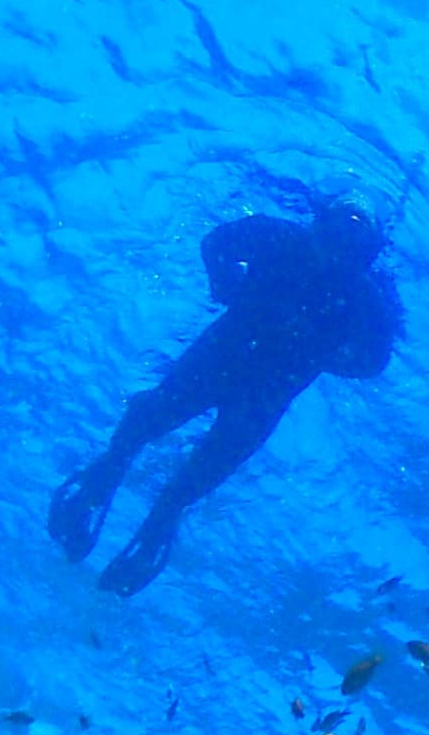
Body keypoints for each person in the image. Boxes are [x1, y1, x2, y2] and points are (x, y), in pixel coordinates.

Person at [50, 203, 403, 597]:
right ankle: (128, 488)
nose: (336, 254)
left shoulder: (351, 289)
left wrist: (230, 287)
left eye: (349, 248)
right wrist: (229, 288)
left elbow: (373, 360)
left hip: (241, 370)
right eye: (336, 238)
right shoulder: (306, 256)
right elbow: (371, 360)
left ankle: (138, 500)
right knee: (165, 430)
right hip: (252, 375)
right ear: (319, 227)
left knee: (185, 451)